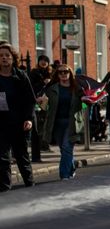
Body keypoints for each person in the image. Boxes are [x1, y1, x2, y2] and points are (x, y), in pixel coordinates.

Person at [0, 42, 36, 191]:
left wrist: (28, 118)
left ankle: (30, 185)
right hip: (1, 123)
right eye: (1, 56)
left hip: (19, 122)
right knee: (2, 158)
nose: (4, 58)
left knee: (22, 157)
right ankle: (4, 189)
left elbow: (30, 99)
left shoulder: (21, 76)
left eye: (7, 55)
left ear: (13, 58)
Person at [40, 64, 85, 180]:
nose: (63, 74)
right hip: (56, 123)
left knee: (66, 147)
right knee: (64, 149)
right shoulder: (52, 89)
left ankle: (64, 175)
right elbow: (43, 106)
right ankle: (71, 166)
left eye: (66, 72)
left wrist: (86, 102)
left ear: (70, 73)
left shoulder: (77, 88)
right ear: (57, 75)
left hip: (72, 123)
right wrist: (41, 102)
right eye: (60, 72)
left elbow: (86, 104)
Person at [28, 54, 53, 161]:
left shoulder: (50, 74)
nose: (43, 62)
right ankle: (36, 153)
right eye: (41, 60)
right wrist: (43, 82)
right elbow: (31, 87)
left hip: (48, 102)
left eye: (45, 61)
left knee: (46, 125)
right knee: (37, 128)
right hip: (37, 102)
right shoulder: (34, 73)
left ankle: (45, 144)